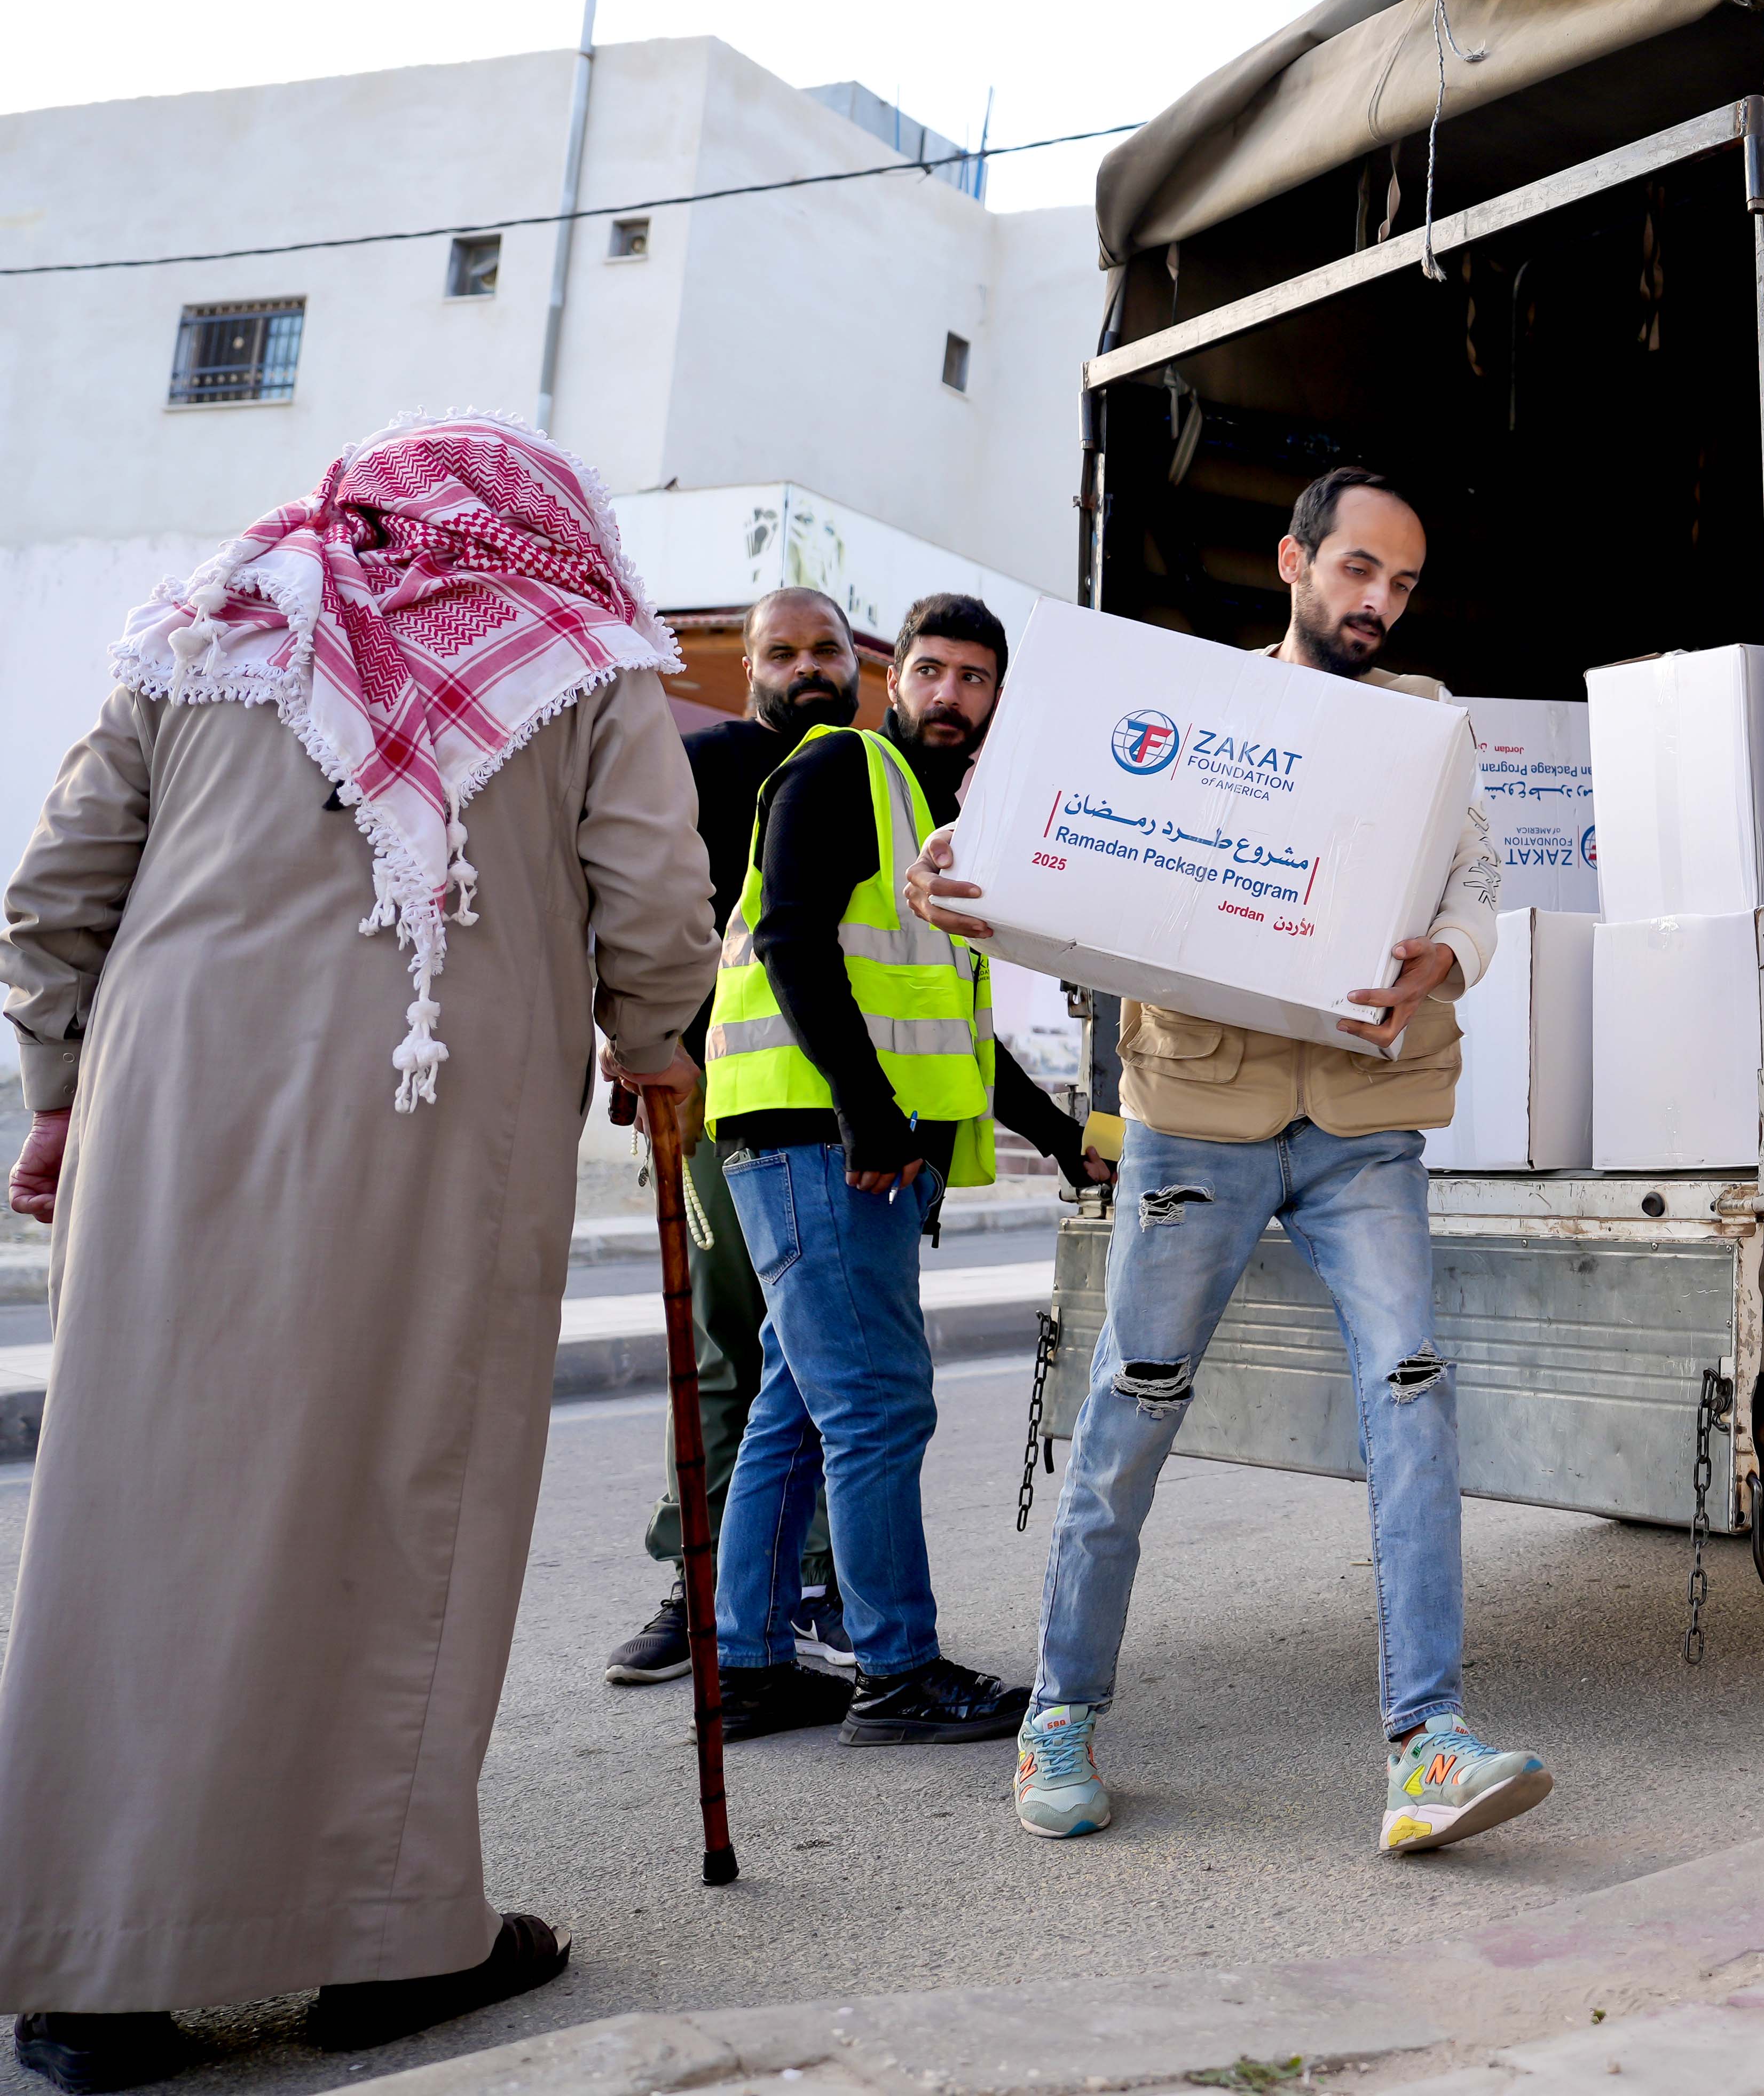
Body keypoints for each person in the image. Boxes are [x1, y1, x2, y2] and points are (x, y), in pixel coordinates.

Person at [0, 415, 715, 2092]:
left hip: (168, 1122)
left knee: (140, 1504)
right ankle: (383, 1940)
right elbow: (656, 897)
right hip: (430, 1133)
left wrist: (54, 1094)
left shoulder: (211, 622)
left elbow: (53, 892)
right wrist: (655, 1043)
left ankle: (93, 1979)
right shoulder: (582, 651)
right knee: (392, 1503)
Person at [905, 466, 1541, 1853]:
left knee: (1414, 1390)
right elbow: (1048, 853)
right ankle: (1060, 1716)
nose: (1380, 602)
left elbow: (1477, 887)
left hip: (1366, 1120)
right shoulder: (1194, 706)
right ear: (1294, 564)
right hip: (1201, 1110)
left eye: (1404, 583)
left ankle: (1427, 1744)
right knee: (1135, 1401)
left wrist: (1453, 953)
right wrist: (954, 871)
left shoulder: (1429, 727)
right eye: (1359, 570)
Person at [700, 592, 1108, 1748]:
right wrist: (872, 1117)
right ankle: (897, 1668)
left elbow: (955, 1027)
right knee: (879, 1403)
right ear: (898, 681)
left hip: (830, 1144)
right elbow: (787, 941)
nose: (953, 695)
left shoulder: (944, 824)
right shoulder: (841, 772)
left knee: (798, 1402)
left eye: (977, 679)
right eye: (933, 671)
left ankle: (750, 1662)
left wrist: (1061, 1131)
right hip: (821, 1141)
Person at [606, 586, 856, 1688]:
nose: (808, 667)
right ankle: (700, 1581)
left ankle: (825, 1585)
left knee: (840, 1361)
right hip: (719, 1099)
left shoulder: (878, 776)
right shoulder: (701, 769)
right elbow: (632, 907)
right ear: (752, 665)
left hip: (850, 1113)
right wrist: (652, 1044)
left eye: (827, 648)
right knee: (725, 1344)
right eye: (784, 651)